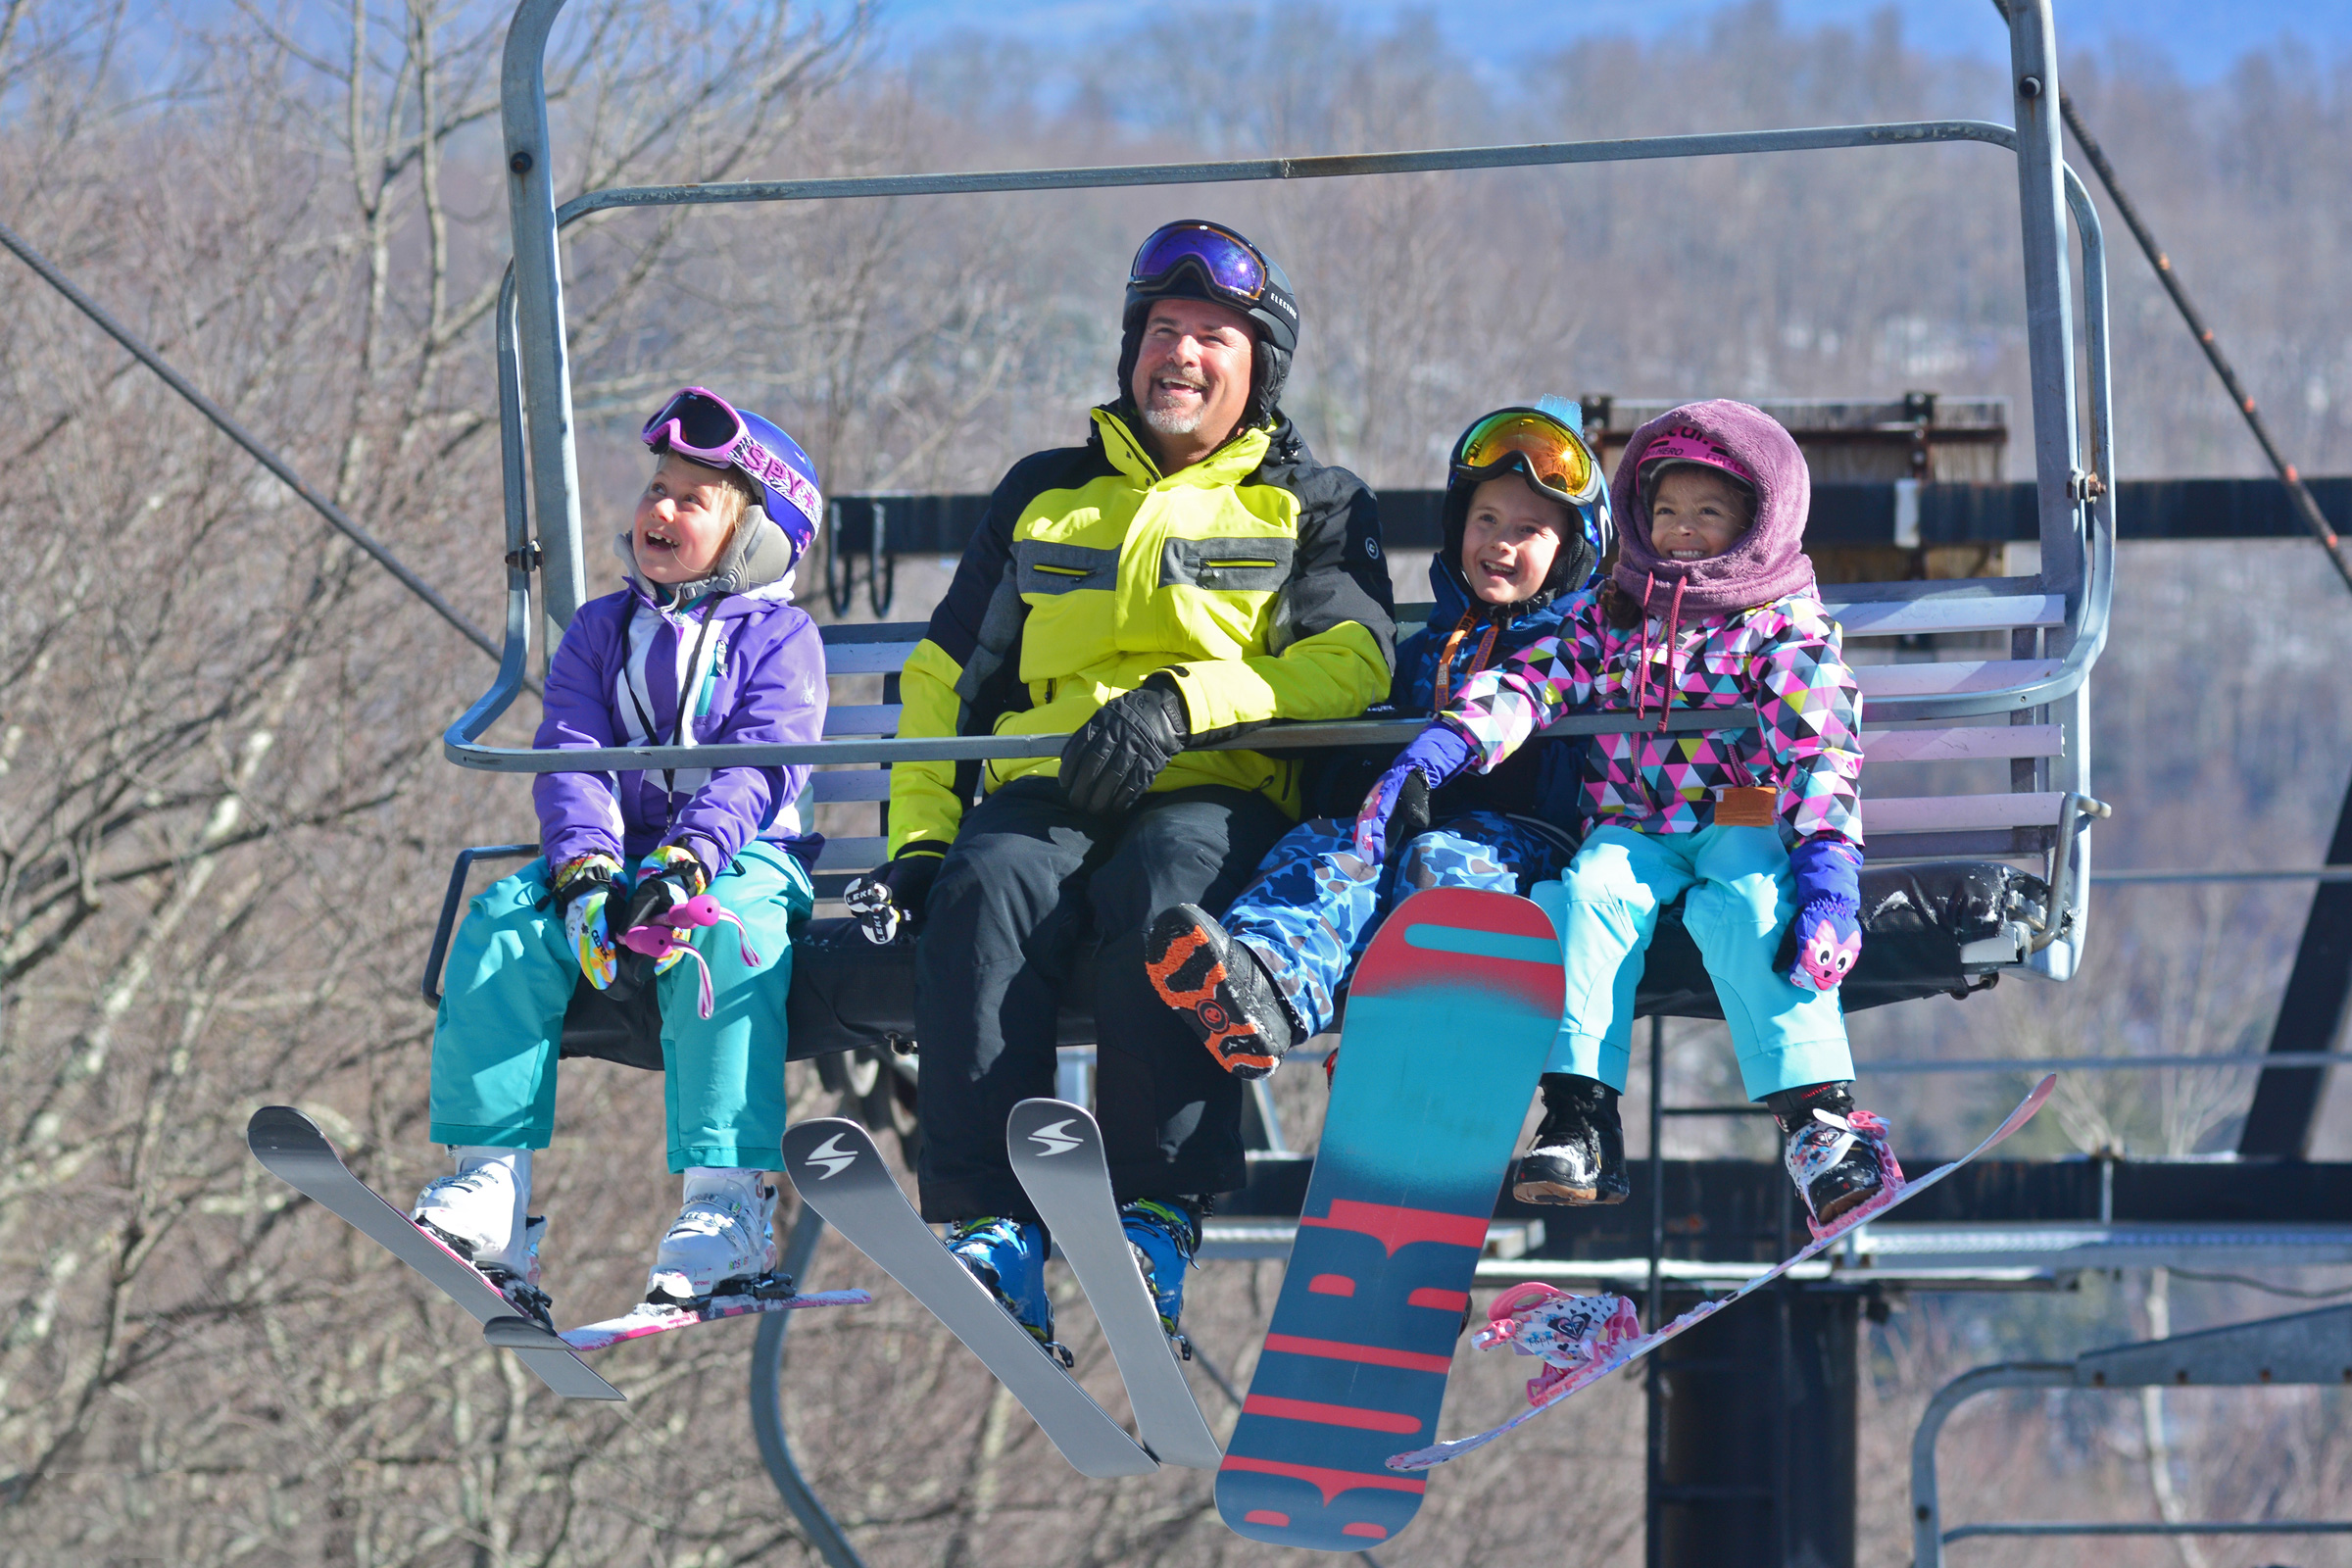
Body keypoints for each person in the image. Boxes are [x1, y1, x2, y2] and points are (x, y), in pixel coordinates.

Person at [842, 220, 1395, 1347]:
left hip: (1214, 780)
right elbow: (947, 678)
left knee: (1166, 899)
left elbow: (1356, 662)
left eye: (1212, 336)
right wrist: (919, 840)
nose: (1180, 355)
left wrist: (1186, 702)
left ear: (1259, 368)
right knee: (986, 891)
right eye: (1162, 330)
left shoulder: (1311, 501)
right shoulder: (1046, 494)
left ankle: (1152, 1209)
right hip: (1049, 782)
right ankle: (994, 1223)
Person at [1357, 400, 1888, 1228]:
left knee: (1752, 909)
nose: (1682, 531)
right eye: (1667, 511)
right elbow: (1533, 681)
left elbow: (1819, 747)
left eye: (1709, 513)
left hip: (1738, 820)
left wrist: (1829, 877)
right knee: (1584, 897)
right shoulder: (1615, 614)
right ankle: (1580, 1116)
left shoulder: (1781, 625)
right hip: (1632, 826)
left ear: (1757, 521)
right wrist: (1447, 745)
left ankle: (1818, 1118)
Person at [412, 388, 829, 1324]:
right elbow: (573, 752)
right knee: (505, 928)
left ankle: (725, 1201)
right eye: (656, 488)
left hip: (743, 861)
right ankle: (491, 1191)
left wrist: (686, 866)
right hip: (618, 863)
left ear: (757, 535)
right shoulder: (602, 631)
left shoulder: (781, 639)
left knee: (734, 949)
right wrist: (588, 872)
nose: (660, 510)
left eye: (693, 498)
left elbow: (762, 763)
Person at [1141, 403, 1610, 1077]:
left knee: (1444, 864)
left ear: (1572, 553)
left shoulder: (1573, 654)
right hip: (1405, 823)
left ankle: (1411, 1034)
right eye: (1486, 520)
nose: (1500, 543)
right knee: (1330, 852)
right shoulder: (1420, 652)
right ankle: (1266, 985)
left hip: (1523, 836)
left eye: (1530, 530)